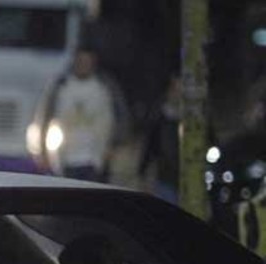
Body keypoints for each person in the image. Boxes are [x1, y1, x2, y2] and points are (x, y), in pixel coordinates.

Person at [44, 48, 124, 182]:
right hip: (66, 158)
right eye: (80, 61)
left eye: (87, 62)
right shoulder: (62, 87)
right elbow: (48, 118)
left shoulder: (103, 88)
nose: (84, 66)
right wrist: (45, 151)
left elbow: (114, 119)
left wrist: (112, 146)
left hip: (94, 159)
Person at [138, 76, 181, 204]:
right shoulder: (159, 115)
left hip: (189, 174)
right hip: (165, 175)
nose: (178, 94)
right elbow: (150, 143)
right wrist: (143, 168)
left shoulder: (195, 119)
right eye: (175, 89)